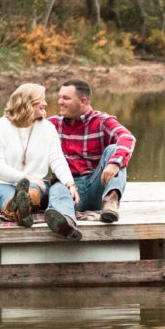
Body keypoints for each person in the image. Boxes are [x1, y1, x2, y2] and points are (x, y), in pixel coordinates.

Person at [0, 83, 81, 239]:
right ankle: (18, 209)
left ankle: (22, 207)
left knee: (33, 189)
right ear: (27, 103)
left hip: (35, 185)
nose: (45, 103)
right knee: (5, 195)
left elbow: (57, 159)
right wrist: (25, 177)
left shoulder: (47, 128)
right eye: (40, 100)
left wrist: (69, 183)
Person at [43, 78, 136, 236]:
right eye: (59, 97)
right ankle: (66, 223)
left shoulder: (101, 121)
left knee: (114, 149)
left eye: (66, 98)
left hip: (97, 187)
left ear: (83, 101)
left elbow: (128, 138)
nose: (60, 102)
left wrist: (114, 163)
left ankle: (111, 204)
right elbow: (24, 144)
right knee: (57, 188)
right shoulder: (50, 124)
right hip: (68, 190)